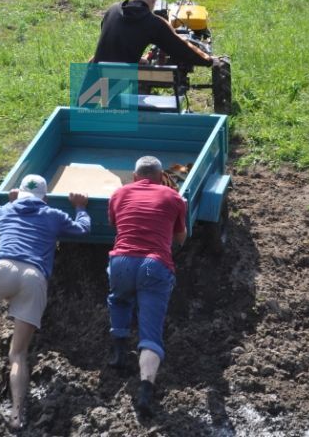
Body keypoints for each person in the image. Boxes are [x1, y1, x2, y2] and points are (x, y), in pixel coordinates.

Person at [0, 174, 90, 431]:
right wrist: (80, 208)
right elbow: (82, 229)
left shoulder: (8, 209)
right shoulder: (53, 215)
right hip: (35, 278)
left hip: (4, 269)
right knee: (18, 353)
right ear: (43, 197)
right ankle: (17, 415)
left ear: (20, 193)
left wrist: (8, 202)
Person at [106, 155, 188, 419]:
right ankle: (145, 392)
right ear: (161, 177)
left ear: (134, 176)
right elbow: (180, 237)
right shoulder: (174, 198)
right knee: (151, 332)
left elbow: (115, 225)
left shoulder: (119, 194)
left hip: (121, 261)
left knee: (119, 299)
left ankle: (118, 354)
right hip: (154, 264)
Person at [91, 0, 218, 68]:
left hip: (94, 77)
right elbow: (180, 48)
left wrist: (138, 59)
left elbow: (113, 42)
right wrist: (208, 60)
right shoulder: (153, 23)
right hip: (122, 82)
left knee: (94, 101)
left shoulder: (112, 10)